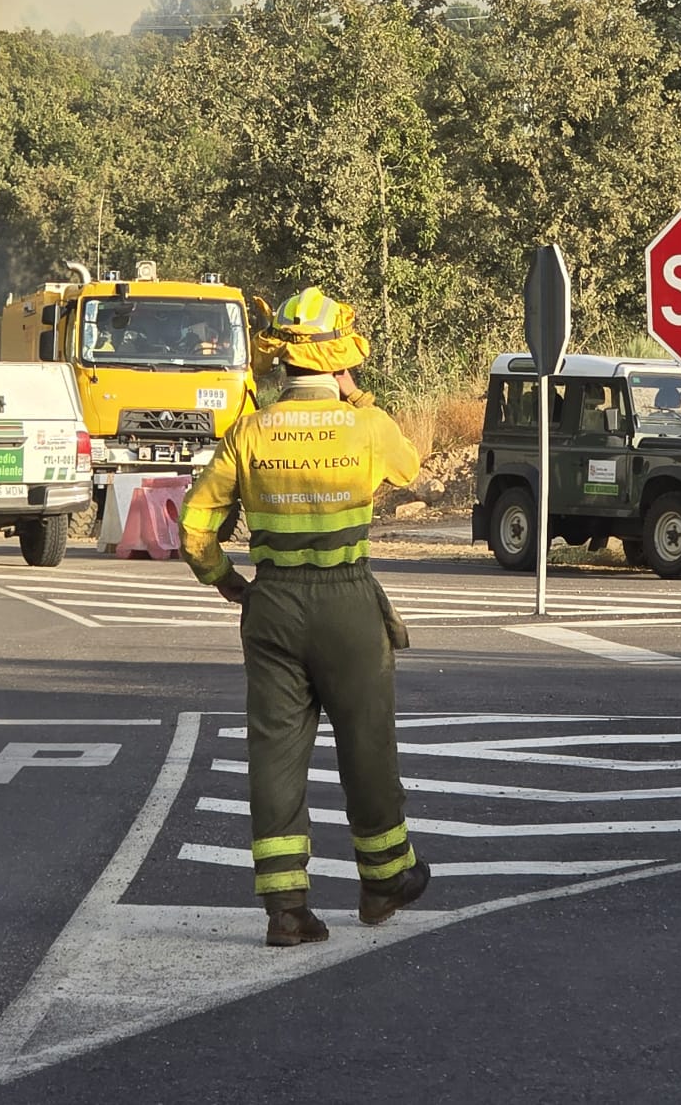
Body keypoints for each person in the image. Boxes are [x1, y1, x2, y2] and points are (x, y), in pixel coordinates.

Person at [179, 286, 429, 949]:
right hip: (346, 602)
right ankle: (383, 883)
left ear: (281, 361)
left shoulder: (250, 430)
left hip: (274, 606)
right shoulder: (365, 426)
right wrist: (361, 401)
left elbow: (195, 527)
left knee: (276, 756)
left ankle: (286, 909)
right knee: (366, 744)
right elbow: (409, 467)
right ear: (340, 359)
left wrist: (228, 582)